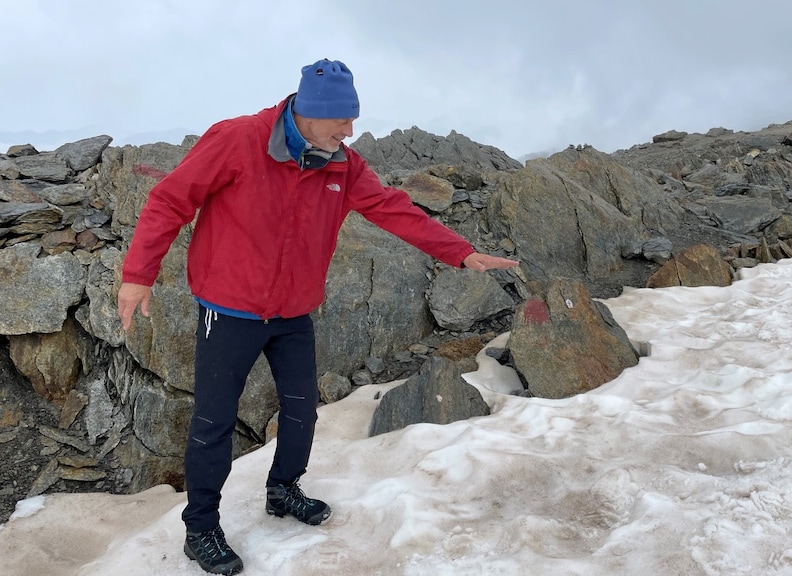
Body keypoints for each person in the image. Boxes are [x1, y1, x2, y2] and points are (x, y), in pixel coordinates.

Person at [117, 58, 518, 575]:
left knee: (303, 411)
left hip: (292, 313)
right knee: (213, 422)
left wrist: (459, 252)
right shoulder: (238, 140)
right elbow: (170, 200)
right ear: (307, 112)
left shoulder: (341, 164)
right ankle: (201, 529)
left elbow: (393, 208)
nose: (349, 131)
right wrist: (139, 273)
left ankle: (283, 490)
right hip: (229, 311)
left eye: (352, 120)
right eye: (340, 121)